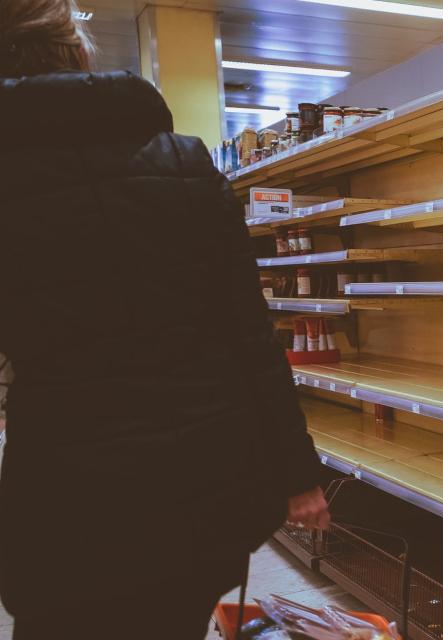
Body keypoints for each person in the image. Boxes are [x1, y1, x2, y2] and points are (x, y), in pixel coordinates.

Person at [0, 0, 331, 637]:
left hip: (68, 500)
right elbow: (249, 338)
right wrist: (296, 474)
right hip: (201, 489)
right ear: (77, 51)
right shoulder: (185, 163)